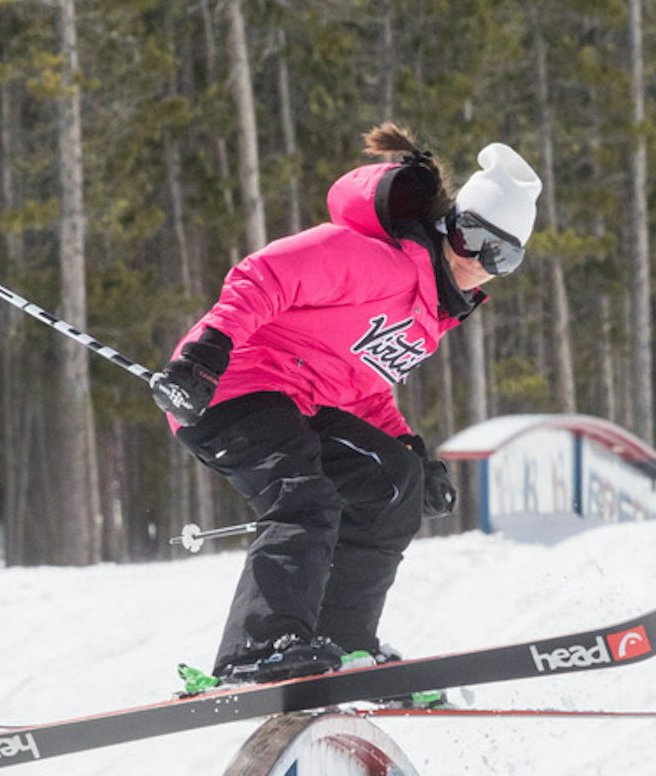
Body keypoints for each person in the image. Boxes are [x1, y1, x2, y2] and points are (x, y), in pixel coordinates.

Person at [150, 124, 542, 684]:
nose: (479, 260)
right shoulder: (377, 261)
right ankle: (257, 649)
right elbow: (265, 276)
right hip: (230, 387)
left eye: (502, 255)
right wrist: (206, 351)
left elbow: (364, 386)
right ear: (447, 224)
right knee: (304, 496)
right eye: (473, 237)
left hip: (299, 404)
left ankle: (345, 645)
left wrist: (410, 449)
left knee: (394, 484)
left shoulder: (429, 316)